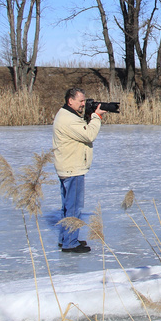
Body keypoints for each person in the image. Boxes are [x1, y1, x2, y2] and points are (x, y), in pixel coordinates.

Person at [52, 87, 106, 253]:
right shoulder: (68, 119)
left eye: (84, 101)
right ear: (70, 101)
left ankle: (66, 238)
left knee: (67, 207)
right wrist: (96, 117)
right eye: (81, 101)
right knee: (74, 207)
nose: (83, 104)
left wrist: (89, 116)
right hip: (72, 169)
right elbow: (89, 135)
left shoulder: (67, 115)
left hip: (67, 166)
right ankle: (70, 243)